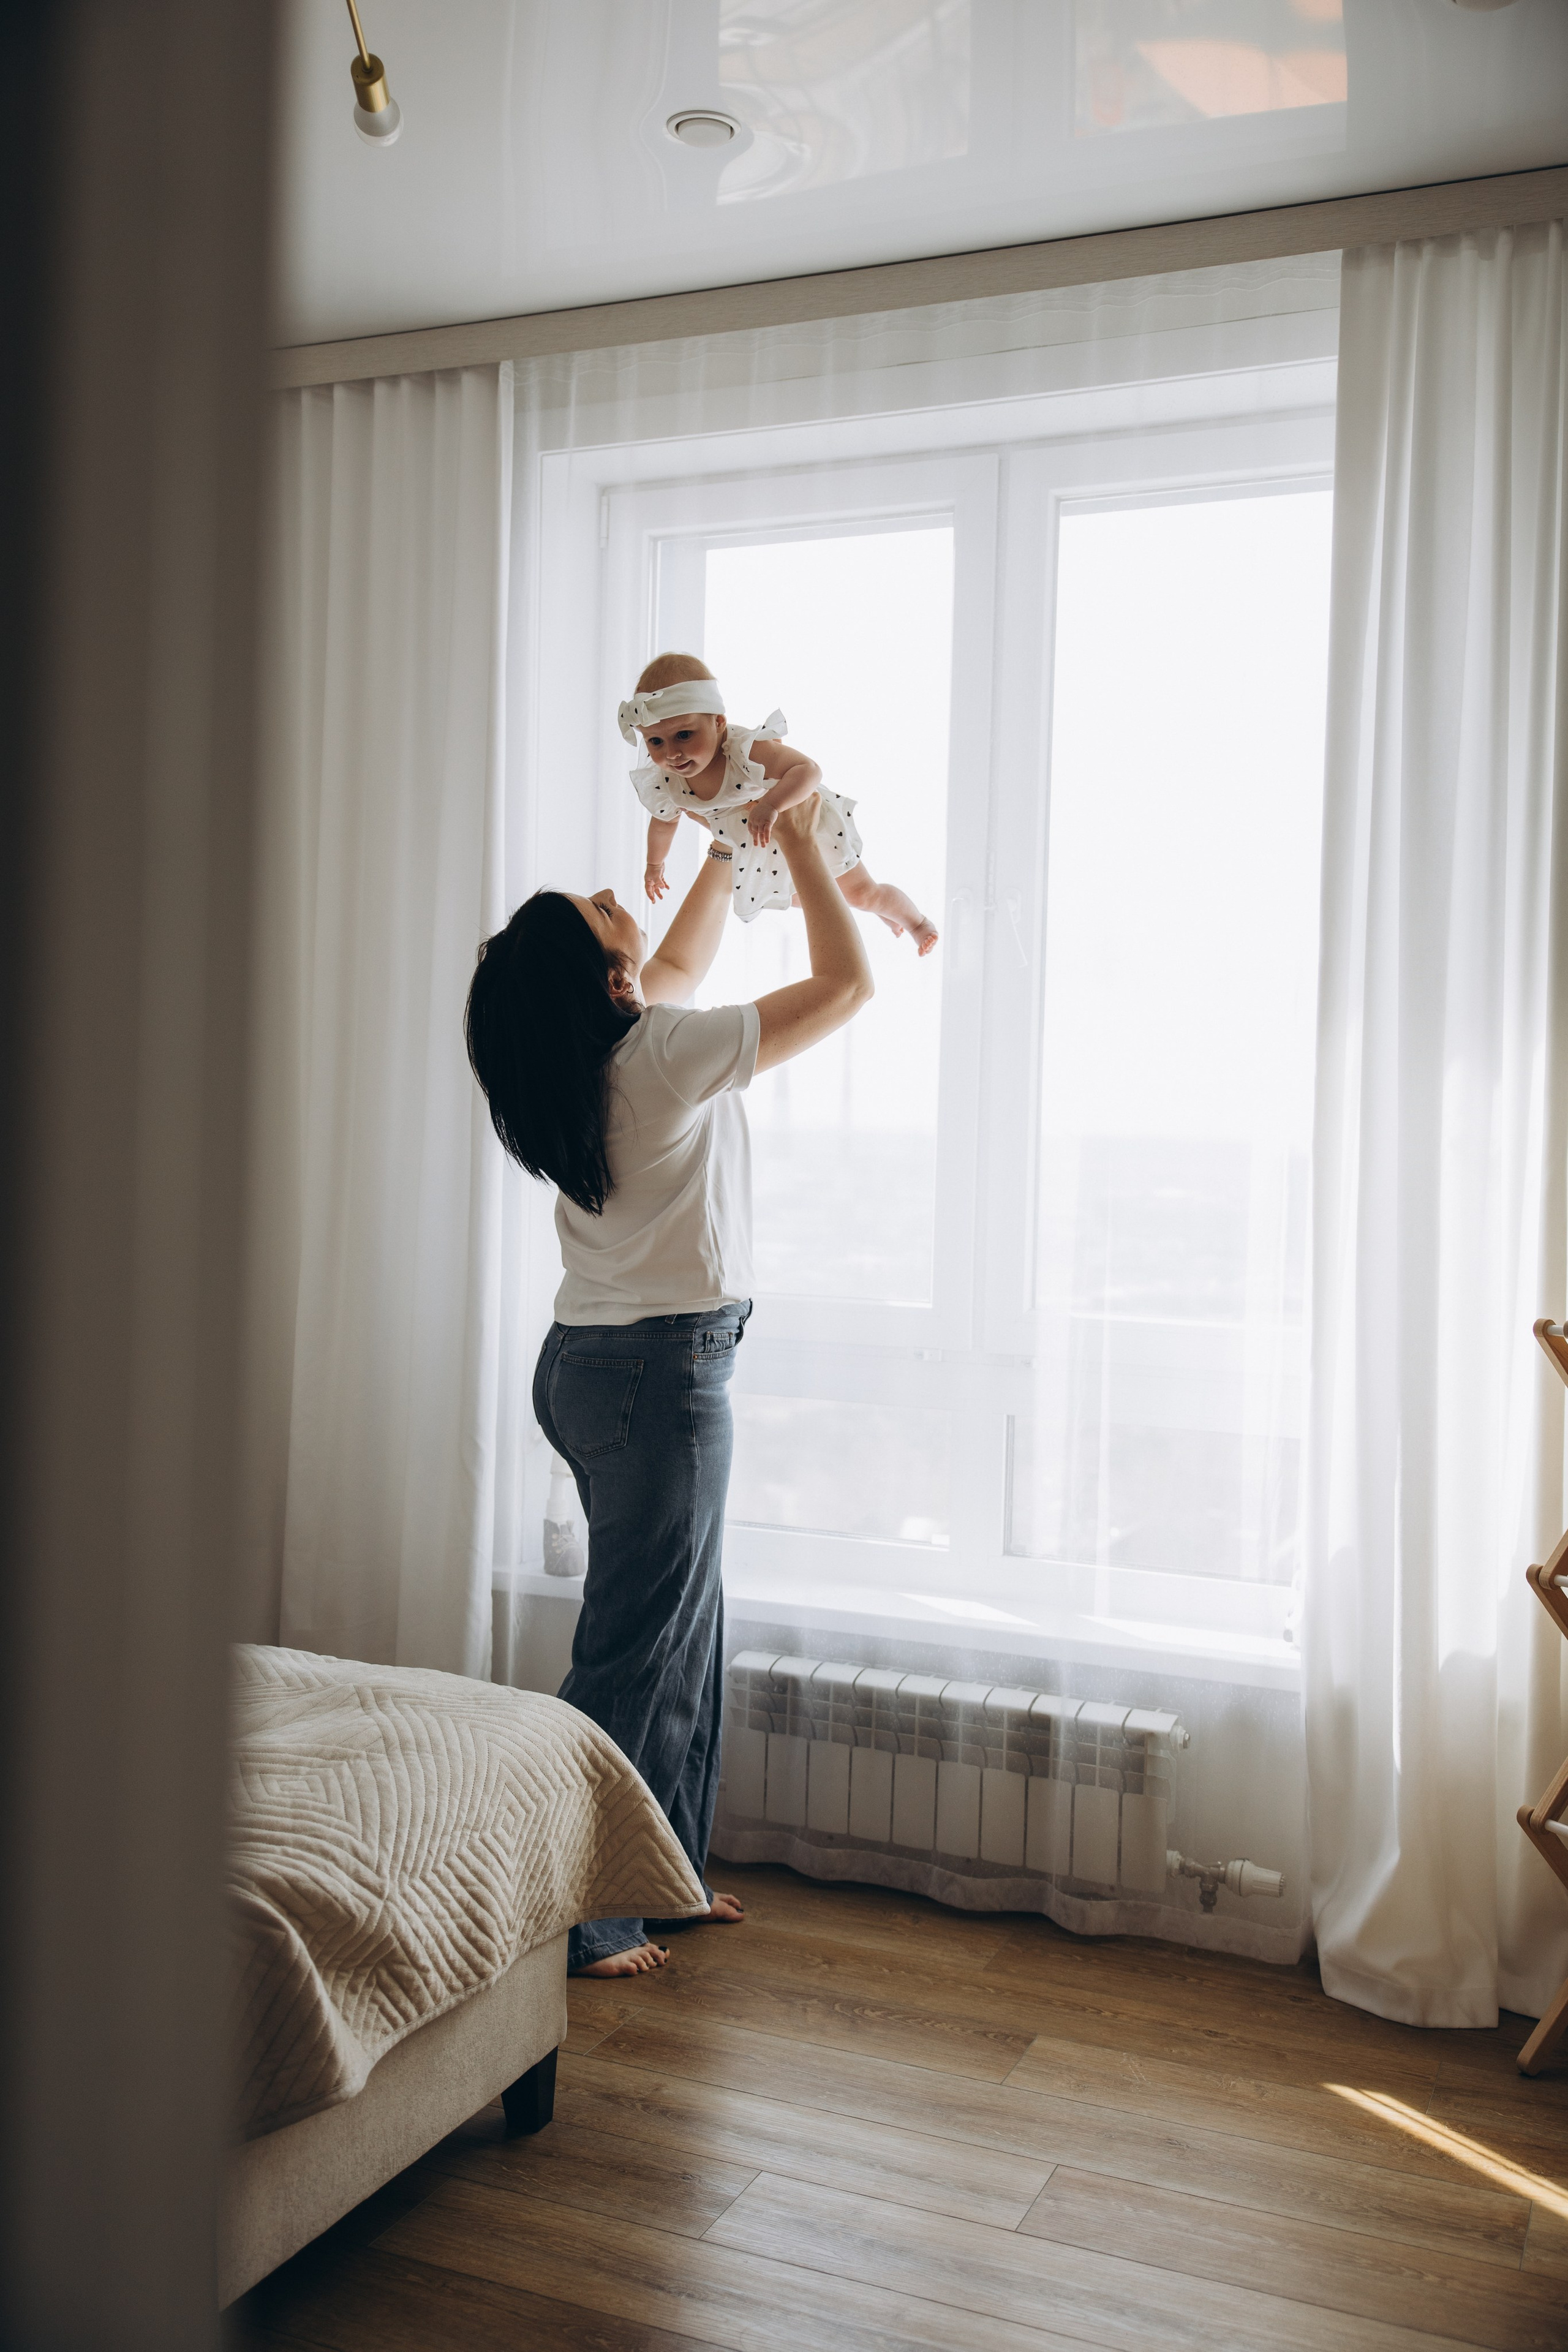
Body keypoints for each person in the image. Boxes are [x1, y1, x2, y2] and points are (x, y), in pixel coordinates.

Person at [464, 796, 873, 1976]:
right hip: (657, 1375)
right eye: (603, 914)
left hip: (599, 1369)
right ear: (600, 979)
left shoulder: (595, 1061)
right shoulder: (663, 1052)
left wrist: (726, 842)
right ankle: (586, 1915)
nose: (616, 901)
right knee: (638, 1647)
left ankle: (664, 1876)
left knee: (684, 1629)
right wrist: (795, 841)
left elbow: (681, 958)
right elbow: (845, 989)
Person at [624, 650, 939, 955]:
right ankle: (877, 908)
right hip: (761, 848)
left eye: (684, 735)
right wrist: (654, 864)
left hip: (803, 827)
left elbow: (809, 770)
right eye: (656, 741)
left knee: (860, 892)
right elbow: (665, 822)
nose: (672, 753)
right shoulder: (666, 779)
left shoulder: (743, 751)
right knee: (821, 900)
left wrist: (771, 804)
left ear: (718, 722)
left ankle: (916, 922)